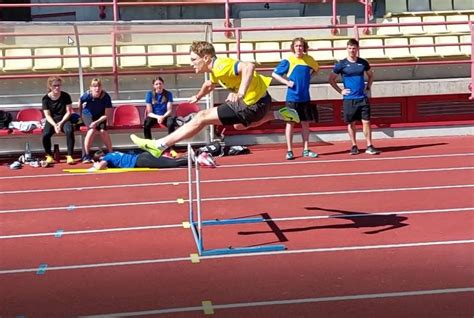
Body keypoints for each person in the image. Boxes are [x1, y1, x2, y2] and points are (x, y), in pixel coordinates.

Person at [130, 40, 300, 158]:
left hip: (250, 104)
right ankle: (279, 115)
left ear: (206, 58)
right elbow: (209, 85)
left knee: (202, 117)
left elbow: (249, 66)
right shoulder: (215, 72)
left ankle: (160, 145)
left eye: (193, 60)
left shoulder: (220, 65)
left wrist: (240, 93)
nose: (191, 64)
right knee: (238, 125)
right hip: (262, 103)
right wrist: (197, 96)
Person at [328, 38, 380, 155]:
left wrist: (368, 87)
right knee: (351, 123)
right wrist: (340, 91)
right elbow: (331, 79)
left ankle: (369, 145)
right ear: (347, 49)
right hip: (349, 99)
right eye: (350, 48)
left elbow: (371, 75)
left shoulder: (363, 63)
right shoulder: (341, 64)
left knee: (366, 122)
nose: (352, 50)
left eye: (354, 48)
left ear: (357, 49)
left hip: (362, 98)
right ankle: (354, 145)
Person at [272, 37, 320, 160]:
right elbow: (275, 74)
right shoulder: (288, 60)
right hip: (292, 98)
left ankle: (306, 149)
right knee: (290, 123)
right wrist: (286, 82)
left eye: (301, 46)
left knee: (305, 124)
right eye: (297, 46)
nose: (299, 48)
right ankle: (289, 150)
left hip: (305, 98)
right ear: (293, 47)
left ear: (304, 47)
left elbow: (317, 70)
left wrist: (309, 78)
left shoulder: (309, 60)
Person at [41, 76, 75, 164]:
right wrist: (55, 125)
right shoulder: (45, 99)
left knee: (69, 130)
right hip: (52, 120)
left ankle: (70, 155)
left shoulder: (66, 96)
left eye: (59, 85)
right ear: (50, 86)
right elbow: (47, 115)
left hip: (64, 118)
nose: (57, 87)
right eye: (55, 85)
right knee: (46, 134)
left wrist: (61, 123)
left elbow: (69, 112)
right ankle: (49, 156)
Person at [78, 78, 113, 163]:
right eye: (94, 86)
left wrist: (96, 122)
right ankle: (86, 155)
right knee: (91, 130)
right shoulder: (86, 96)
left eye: (98, 86)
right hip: (87, 114)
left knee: (103, 131)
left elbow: (106, 115)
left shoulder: (106, 97)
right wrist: (81, 116)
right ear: (90, 88)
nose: (97, 88)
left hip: (100, 116)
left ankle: (111, 152)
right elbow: (79, 102)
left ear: (101, 87)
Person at [143, 76, 178, 157]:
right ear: (154, 86)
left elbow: (169, 110)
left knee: (171, 123)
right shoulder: (149, 94)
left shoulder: (168, 94)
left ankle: (172, 148)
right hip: (154, 116)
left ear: (163, 84)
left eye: (160, 84)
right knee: (146, 124)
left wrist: (162, 117)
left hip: (165, 116)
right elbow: (149, 112)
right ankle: (149, 147)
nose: (158, 85)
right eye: (156, 84)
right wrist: (158, 117)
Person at [90, 149, 216, 170]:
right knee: (169, 161)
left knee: (171, 164)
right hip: (142, 157)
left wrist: (95, 165)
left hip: (140, 161)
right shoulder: (112, 153)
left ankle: (197, 159)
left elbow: (101, 166)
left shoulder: (105, 158)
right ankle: (194, 155)